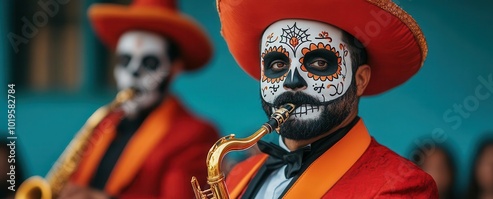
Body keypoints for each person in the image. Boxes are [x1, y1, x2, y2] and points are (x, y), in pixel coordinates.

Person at [216, 0, 438, 198]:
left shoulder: (401, 186)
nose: (291, 81)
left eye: (319, 63)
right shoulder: (239, 174)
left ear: (360, 79)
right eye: (277, 65)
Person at [58, 0, 219, 198]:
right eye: (125, 61)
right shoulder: (103, 124)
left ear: (174, 69)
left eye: (149, 62)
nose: (134, 73)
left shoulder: (194, 134)